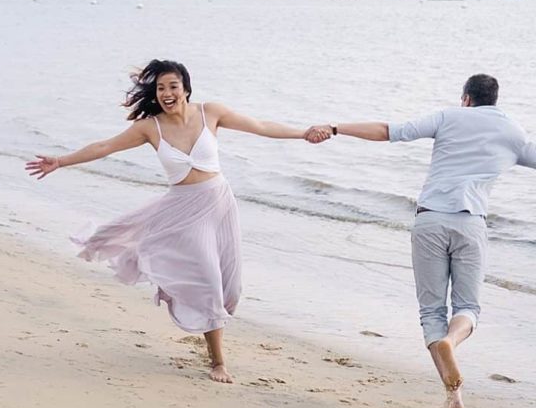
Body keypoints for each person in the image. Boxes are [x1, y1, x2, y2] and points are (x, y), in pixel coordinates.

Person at [26, 59, 327, 384]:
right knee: (209, 281)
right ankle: (218, 362)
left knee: (231, 287)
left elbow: (261, 126)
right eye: (161, 88)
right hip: (184, 211)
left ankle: (208, 327)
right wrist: (61, 161)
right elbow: (105, 146)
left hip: (220, 206)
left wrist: (302, 133)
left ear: (185, 87)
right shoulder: (149, 127)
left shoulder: (210, 112)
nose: (167, 93)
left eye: (173, 86)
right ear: (155, 94)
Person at [305, 74, 536, 408]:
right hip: (471, 225)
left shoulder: (448, 117)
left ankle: (453, 396)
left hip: (430, 221)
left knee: (431, 312)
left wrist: (335, 127)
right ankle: (452, 343)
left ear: (466, 99)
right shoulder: (513, 133)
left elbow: (389, 131)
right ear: (495, 100)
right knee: (468, 308)